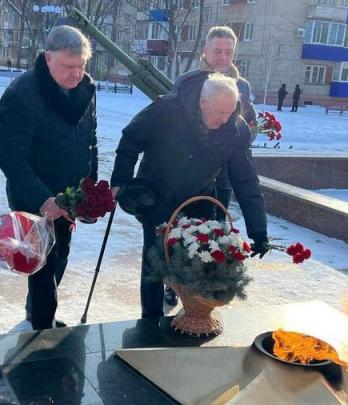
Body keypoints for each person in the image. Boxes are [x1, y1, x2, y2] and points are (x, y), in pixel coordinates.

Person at [110, 73, 270, 319]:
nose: (224, 119)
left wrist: (258, 230)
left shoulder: (235, 128)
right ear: (202, 102)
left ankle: (193, 317)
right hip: (154, 196)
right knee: (154, 261)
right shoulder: (165, 110)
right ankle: (150, 320)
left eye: (230, 112)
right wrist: (121, 182)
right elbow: (130, 140)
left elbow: (245, 179)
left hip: (198, 202)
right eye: (219, 112)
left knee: (198, 260)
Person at [0, 26, 98, 330]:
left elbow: (89, 140)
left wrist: (90, 188)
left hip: (70, 195)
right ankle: (42, 331)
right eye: (68, 66)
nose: (76, 73)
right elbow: (11, 159)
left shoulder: (85, 89)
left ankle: (37, 310)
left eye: (81, 65)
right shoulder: (22, 95)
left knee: (61, 254)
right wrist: (43, 200)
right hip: (34, 197)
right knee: (42, 264)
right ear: (48, 58)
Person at [169, 26, 256, 306]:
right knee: (182, 230)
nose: (223, 57)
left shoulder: (242, 86)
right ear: (205, 51)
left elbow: (246, 123)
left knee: (215, 233)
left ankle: (204, 293)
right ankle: (174, 282)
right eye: (217, 51)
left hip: (225, 176)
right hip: (191, 173)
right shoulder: (187, 82)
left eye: (228, 52)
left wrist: (248, 132)